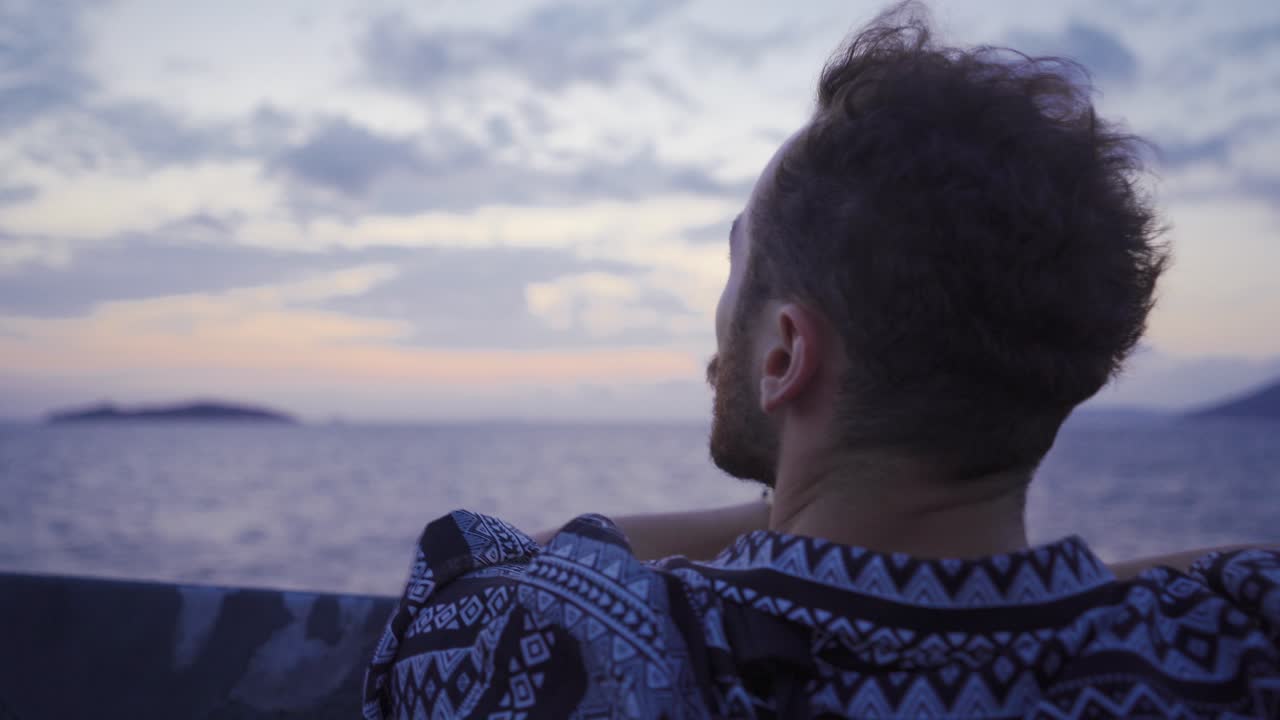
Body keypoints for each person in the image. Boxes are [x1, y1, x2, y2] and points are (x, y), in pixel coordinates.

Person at [363, 4, 1280, 718]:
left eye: (736, 269)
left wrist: (788, 514)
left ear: (786, 354)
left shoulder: (594, 652)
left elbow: (469, 576)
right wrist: (1009, 590)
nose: (714, 334)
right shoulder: (1229, 648)